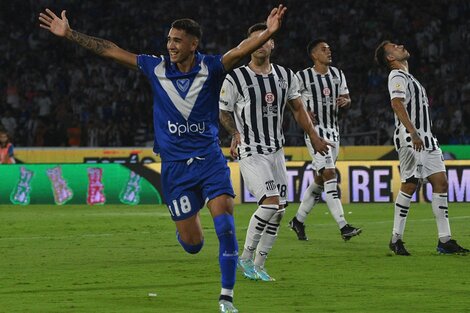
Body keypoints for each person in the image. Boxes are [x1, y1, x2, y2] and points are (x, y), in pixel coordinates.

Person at [39, 6, 287, 312]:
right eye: (169, 39)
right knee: (193, 245)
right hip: (174, 169)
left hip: (209, 159)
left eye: (178, 40)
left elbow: (240, 50)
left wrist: (270, 32)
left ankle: (226, 298)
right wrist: (70, 34)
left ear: (193, 44)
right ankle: (187, 222)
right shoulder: (154, 67)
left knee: (225, 224)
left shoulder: (211, 67)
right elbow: (112, 51)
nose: (170, 44)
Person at [219, 24, 330, 281]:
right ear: (248, 46)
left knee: (279, 210)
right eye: (254, 40)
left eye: (265, 39)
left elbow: (298, 109)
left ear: (272, 44)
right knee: (270, 203)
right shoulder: (235, 78)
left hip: (276, 151)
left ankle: (259, 264)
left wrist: (314, 136)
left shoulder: (286, 75)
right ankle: (245, 257)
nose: (260, 44)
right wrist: (235, 133)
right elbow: (224, 112)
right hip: (250, 150)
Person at [374, 40, 468, 255]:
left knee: (441, 183)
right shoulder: (396, 76)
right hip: (411, 138)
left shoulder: (410, 78)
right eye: (395, 47)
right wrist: (413, 133)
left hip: (428, 140)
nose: (400, 46)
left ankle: (444, 240)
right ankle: (396, 238)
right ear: (390, 58)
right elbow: (396, 104)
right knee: (410, 184)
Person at [288, 39, 361, 241]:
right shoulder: (302, 76)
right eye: (324, 49)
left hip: (334, 132)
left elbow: (347, 98)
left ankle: (298, 220)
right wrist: (302, 112)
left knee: (320, 180)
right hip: (315, 132)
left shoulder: (338, 74)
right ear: (314, 55)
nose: (329, 51)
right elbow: (290, 100)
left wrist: (346, 101)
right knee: (329, 173)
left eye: (329, 48)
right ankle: (343, 226)